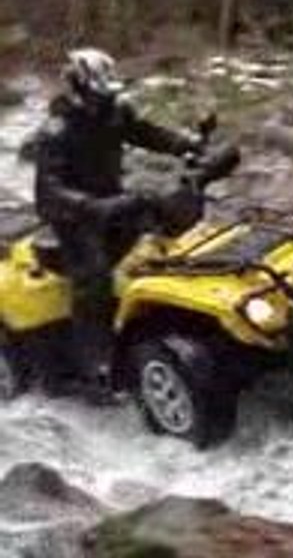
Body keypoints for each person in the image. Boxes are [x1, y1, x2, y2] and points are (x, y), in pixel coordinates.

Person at [34, 48, 199, 403]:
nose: (105, 100)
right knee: (94, 277)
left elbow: (144, 132)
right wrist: (88, 206)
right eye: (99, 94)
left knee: (168, 223)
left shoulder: (114, 111)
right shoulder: (56, 132)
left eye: (108, 94)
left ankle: (176, 316)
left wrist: (184, 145)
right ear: (78, 88)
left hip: (113, 200)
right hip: (74, 216)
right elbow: (48, 190)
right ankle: (95, 367)